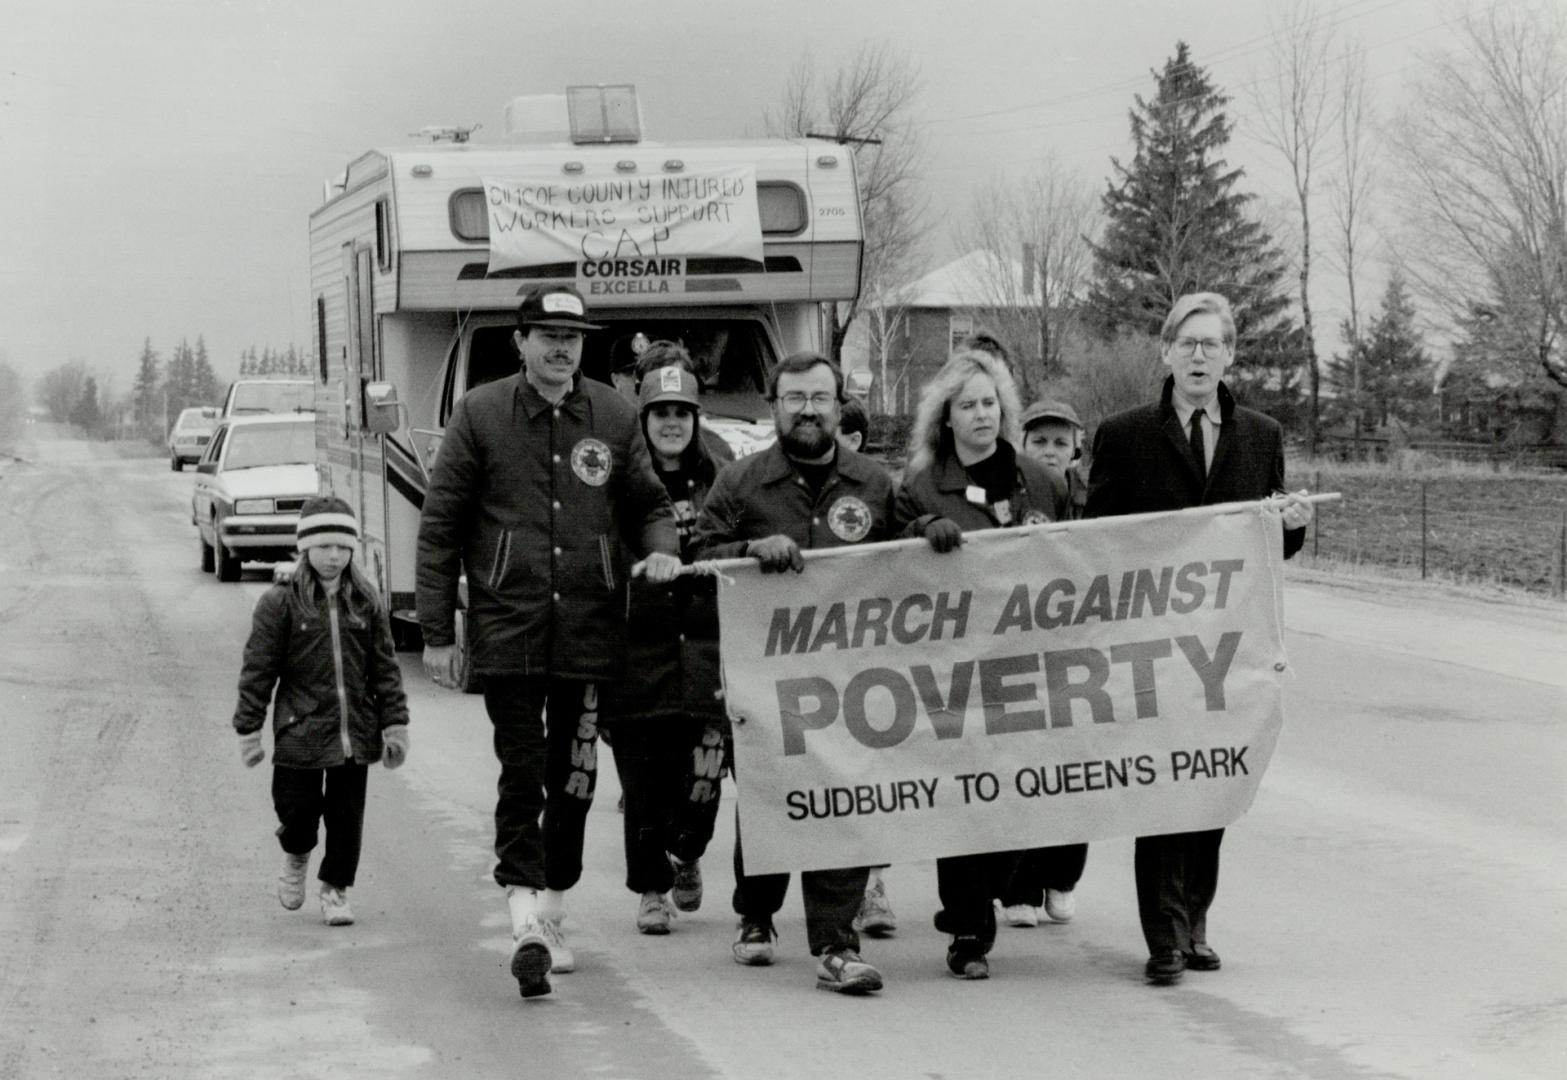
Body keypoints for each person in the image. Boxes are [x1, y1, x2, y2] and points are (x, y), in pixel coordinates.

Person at [415, 284, 681, 1000]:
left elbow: (648, 505)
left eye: (572, 338)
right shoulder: (480, 415)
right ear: (521, 341)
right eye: (547, 336)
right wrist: (438, 632)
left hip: (593, 628)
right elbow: (439, 528)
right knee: (520, 769)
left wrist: (659, 550)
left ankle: (555, 904)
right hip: (511, 627)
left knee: (573, 774)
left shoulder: (615, 414)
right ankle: (525, 912)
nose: (561, 349)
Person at [1085, 291, 1313, 986]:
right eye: (1186, 343)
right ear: (1164, 352)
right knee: (1162, 786)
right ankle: (1163, 938)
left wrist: (1293, 523)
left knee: (1212, 784)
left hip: (1226, 646)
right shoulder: (1123, 435)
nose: (1198, 355)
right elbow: (1094, 538)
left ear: (1229, 355)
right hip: (1150, 642)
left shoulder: (1261, 435)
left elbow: (1267, 545)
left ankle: (1195, 922)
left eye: (1211, 344)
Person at [691, 350, 897, 995]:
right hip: (765, 678)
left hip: (852, 680)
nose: (808, 410)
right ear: (774, 406)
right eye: (794, 399)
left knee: (844, 799)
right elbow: (697, 557)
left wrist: (934, 528)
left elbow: (910, 552)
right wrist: (749, 550)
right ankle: (756, 916)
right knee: (770, 797)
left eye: (820, 398)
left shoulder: (875, 483)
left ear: (840, 407)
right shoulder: (740, 483)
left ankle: (836, 946)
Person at [892, 349, 1070, 979]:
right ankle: (967, 930)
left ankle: (986, 893)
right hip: (954, 671)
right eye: (966, 405)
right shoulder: (919, 485)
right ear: (945, 419)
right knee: (963, 801)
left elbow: (1075, 555)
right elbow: (886, 567)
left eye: (990, 402)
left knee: (1015, 800)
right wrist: (922, 528)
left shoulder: (1040, 481)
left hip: (1025, 664)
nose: (980, 415)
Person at [233, 496, 410, 928]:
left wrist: (395, 725)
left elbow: (385, 668)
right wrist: (249, 729)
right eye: (324, 546)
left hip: (355, 730)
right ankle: (296, 854)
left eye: (342, 547)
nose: (334, 556)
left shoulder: (365, 601)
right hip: (301, 727)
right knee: (296, 809)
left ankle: (335, 889)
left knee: (347, 817)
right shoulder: (280, 603)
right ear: (305, 548)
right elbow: (259, 669)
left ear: (352, 550)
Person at [603, 358, 730, 936]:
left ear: (696, 419)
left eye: (682, 413)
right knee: (645, 787)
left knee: (703, 781)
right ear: (644, 418)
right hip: (640, 656)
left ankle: (689, 851)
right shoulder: (620, 480)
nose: (672, 423)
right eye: (661, 413)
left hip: (709, 653)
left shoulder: (723, 478)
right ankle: (651, 890)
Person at [1001, 397, 1092, 929]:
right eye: (1040, 442)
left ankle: (1062, 878)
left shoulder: (1093, 498)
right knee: (1021, 770)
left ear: (1077, 446)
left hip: (1078, 653)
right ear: (1023, 444)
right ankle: (1016, 888)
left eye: (1061, 442)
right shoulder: (1013, 493)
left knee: (1076, 771)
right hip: (1017, 651)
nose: (1051, 452)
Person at [832, 391, 899, 938]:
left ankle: (874, 886)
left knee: (874, 778)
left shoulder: (878, 485)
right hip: (811, 658)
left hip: (872, 654)